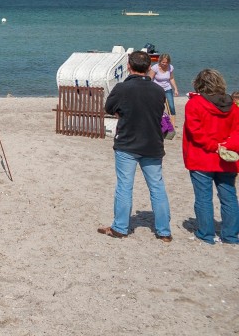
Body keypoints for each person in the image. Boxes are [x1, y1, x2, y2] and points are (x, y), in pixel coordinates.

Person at [99, 50, 171, 241]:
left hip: (127, 143)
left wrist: (122, 113)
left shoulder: (122, 88)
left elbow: (108, 108)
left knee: (124, 186)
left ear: (129, 67)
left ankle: (120, 227)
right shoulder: (158, 90)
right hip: (152, 143)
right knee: (157, 187)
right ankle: (164, 231)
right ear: (149, 68)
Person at [181, 68, 237, 245]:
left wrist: (214, 146)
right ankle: (230, 235)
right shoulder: (231, 105)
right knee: (229, 197)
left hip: (202, 157)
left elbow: (196, 132)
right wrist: (226, 146)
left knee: (204, 198)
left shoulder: (194, 104)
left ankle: (206, 234)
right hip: (226, 157)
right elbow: (236, 132)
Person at [150, 53, 179, 137]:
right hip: (157, 89)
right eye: (163, 62)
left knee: (171, 107)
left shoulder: (170, 67)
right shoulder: (155, 68)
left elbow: (171, 78)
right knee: (157, 107)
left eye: (166, 62)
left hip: (167, 88)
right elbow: (150, 79)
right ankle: (157, 123)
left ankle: (172, 127)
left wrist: (175, 89)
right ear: (160, 61)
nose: (164, 64)